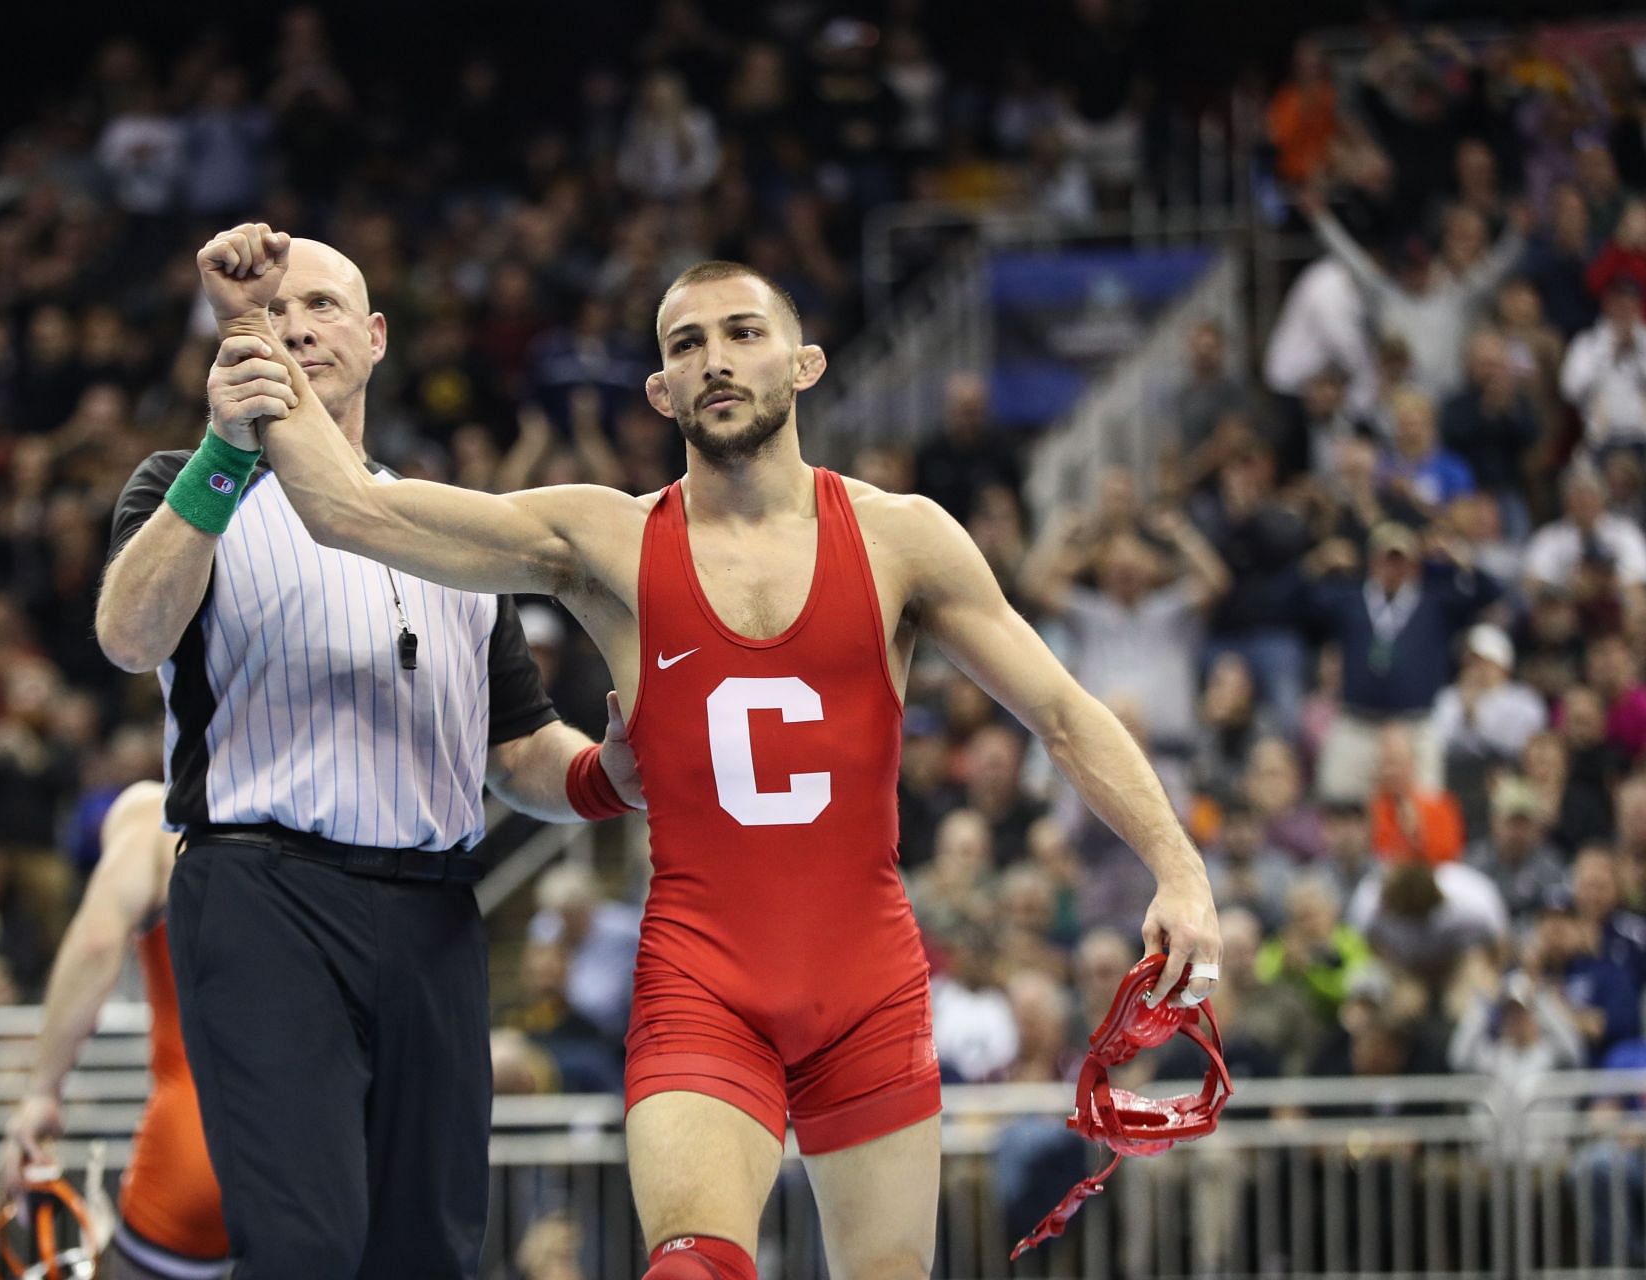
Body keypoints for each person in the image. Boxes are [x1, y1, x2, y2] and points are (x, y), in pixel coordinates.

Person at [223, 226, 1221, 1280]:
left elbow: (1062, 711)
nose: (716, 358)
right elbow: (350, 509)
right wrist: (254, 330)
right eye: (688, 343)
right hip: (703, 980)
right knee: (692, 1266)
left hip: (870, 983)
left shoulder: (903, 539)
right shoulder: (601, 540)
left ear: (803, 363)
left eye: (744, 333)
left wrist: (1181, 868)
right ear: (659, 390)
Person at [97, 226, 644, 1278]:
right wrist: (224, 451)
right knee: (306, 1244)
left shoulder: (444, 525)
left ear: (377, 336)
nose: (299, 326)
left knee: (428, 1251)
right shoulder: (190, 483)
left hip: (435, 910)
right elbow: (129, 635)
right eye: (277, 311)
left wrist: (607, 775)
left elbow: (518, 746)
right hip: (264, 895)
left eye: (324, 306)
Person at [0, 781, 225, 1280]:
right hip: (342, 1136)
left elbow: (98, 943)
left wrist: (42, 1092)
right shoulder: (352, 815)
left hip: (201, 1129)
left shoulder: (158, 814)